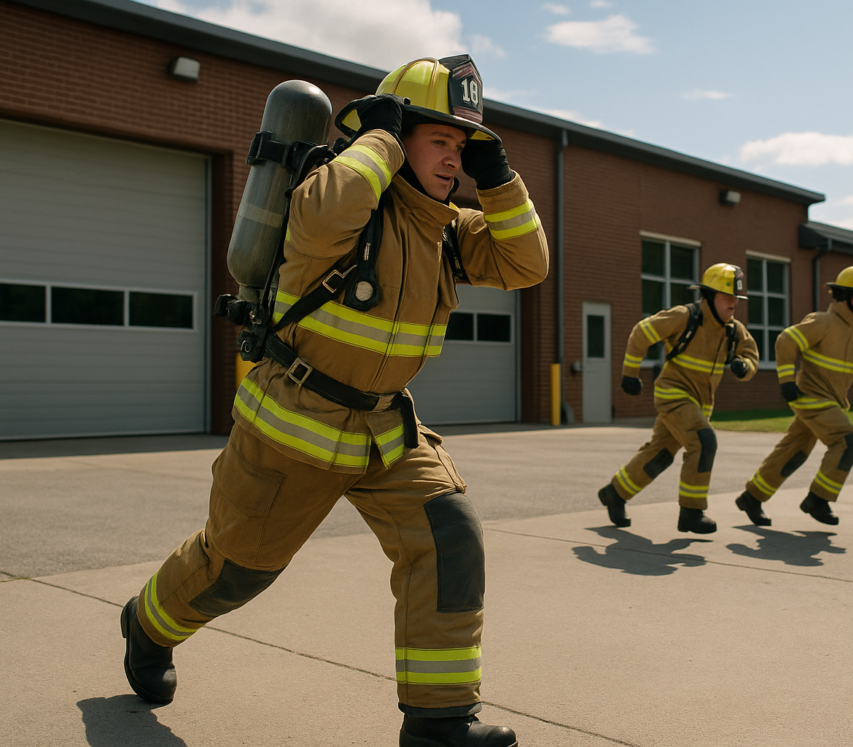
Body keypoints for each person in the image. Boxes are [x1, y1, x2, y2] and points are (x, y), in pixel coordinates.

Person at [119, 55, 547, 747]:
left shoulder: (445, 227)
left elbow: (527, 263)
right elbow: (325, 212)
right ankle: (145, 623)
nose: (454, 160)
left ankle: (439, 722)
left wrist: (499, 179)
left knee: (449, 536)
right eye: (440, 141)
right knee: (234, 572)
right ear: (397, 133)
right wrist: (377, 136)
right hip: (294, 424)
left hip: (384, 428)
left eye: (462, 147)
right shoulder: (333, 195)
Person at [598, 263, 759, 534]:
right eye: (727, 296)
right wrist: (629, 374)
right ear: (709, 295)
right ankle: (692, 512)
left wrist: (745, 366)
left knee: (659, 455)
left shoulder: (734, 329)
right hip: (673, 395)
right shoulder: (685, 316)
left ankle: (615, 493)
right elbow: (641, 332)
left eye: (736, 298)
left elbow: (751, 354)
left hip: (698, 406)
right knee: (704, 442)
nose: (733, 303)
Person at [735, 266, 853, 526]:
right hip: (811, 398)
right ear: (847, 297)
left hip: (831, 403)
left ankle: (752, 496)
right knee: (848, 441)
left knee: (793, 451)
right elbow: (786, 341)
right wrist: (786, 381)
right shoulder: (822, 322)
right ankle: (818, 499)